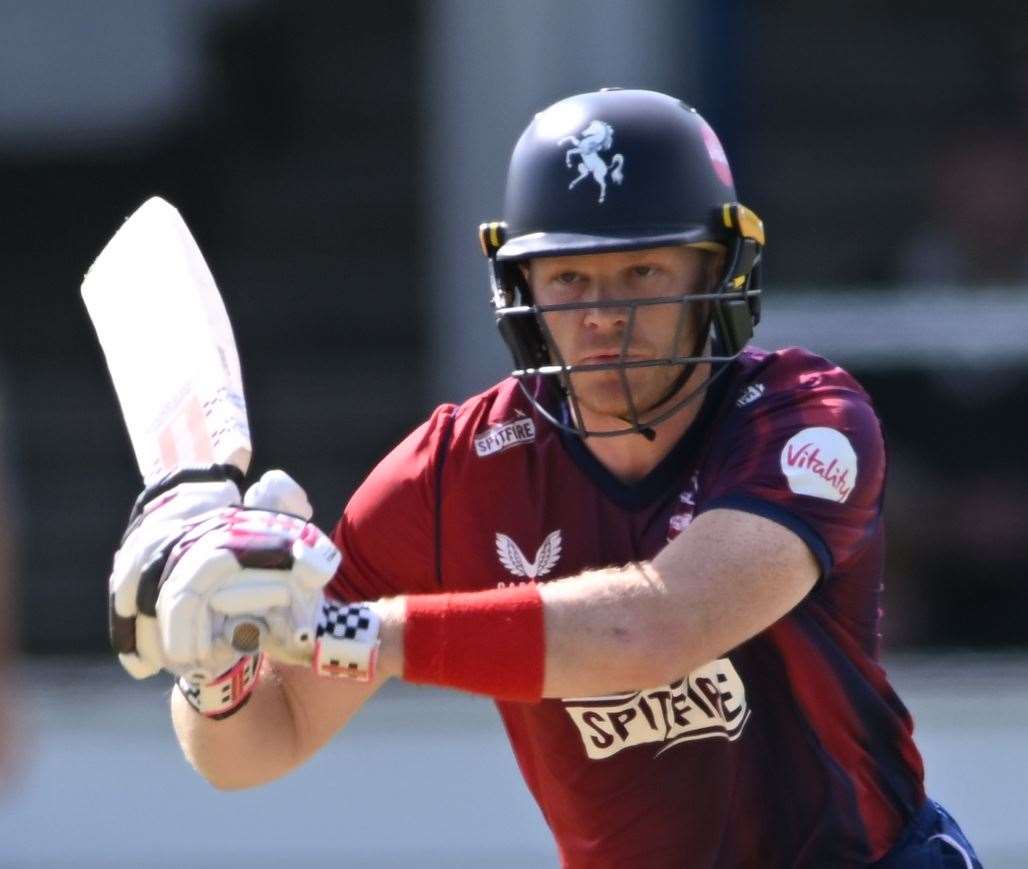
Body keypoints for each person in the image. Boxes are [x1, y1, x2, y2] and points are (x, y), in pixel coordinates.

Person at [109, 89, 981, 867]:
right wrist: (221, 666)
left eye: (643, 270)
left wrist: (351, 628)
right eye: (568, 277)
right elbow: (266, 742)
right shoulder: (453, 472)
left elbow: (659, 624)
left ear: (718, 274)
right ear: (519, 286)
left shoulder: (803, 416)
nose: (604, 314)